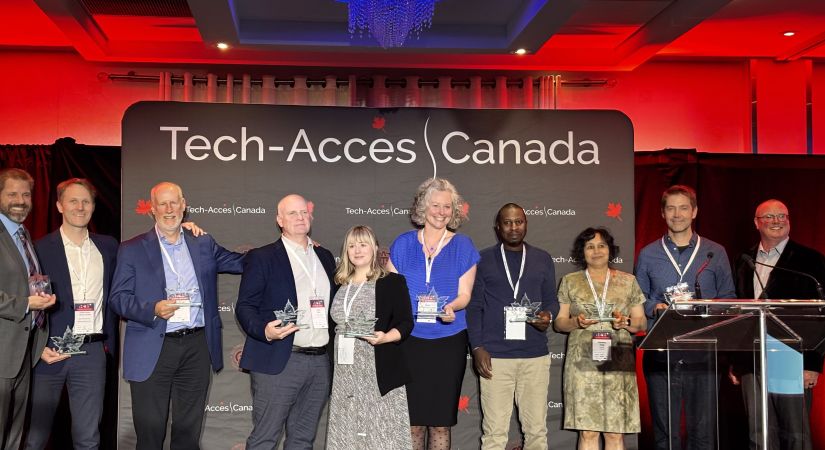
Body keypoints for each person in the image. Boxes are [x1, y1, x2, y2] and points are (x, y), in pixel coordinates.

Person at [109, 181, 244, 450]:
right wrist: (152, 309)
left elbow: (240, 262)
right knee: (150, 433)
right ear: (152, 209)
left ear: (184, 206)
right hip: (153, 345)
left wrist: (287, 249)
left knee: (187, 434)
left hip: (196, 347)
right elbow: (118, 299)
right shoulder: (132, 248)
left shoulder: (202, 242)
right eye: (162, 203)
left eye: (174, 202)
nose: (169, 209)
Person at [636, 184, 736, 450]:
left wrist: (705, 307)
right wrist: (656, 307)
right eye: (671, 208)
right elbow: (639, 299)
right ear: (662, 213)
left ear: (694, 212)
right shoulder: (648, 254)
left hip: (703, 352)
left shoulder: (715, 252)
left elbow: (728, 297)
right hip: (661, 352)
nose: (677, 214)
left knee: (702, 434)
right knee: (665, 435)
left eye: (683, 208)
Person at [235, 194, 336, 450]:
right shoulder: (262, 257)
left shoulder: (324, 256)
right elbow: (245, 306)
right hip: (279, 360)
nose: (300, 217)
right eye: (292, 213)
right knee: (265, 438)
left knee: (303, 440)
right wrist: (264, 331)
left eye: (304, 212)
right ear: (280, 220)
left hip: (319, 363)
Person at [387, 177, 480, 450]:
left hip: (448, 341)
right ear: (422, 208)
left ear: (454, 211)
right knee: (413, 421)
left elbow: (465, 294)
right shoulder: (403, 244)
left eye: (447, 207)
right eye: (435, 205)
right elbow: (392, 293)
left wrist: (452, 307)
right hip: (409, 341)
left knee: (440, 422)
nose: (441, 212)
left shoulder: (463, 246)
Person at [25, 179, 118, 450]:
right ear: (59, 206)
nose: (80, 206)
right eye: (73, 201)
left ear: (93, 206)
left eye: (86, 201)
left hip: (91, 353)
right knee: (35, 438)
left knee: (88, 439)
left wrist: (179, 231)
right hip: (48, 352)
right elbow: (24, 299)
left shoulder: (108, 247)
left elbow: (142, 259)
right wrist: (36, 347)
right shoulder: (38, 248)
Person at [731, 199, 825, 450]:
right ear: (756, 223)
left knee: (796, 434)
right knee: (758, 432)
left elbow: (821, 316)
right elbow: (737, 313)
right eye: (769, 216)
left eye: (782, 216)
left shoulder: (810, 260)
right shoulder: (744, 259)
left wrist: (813, 363)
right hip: (751, 359)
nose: (776, 221)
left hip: (791, 357)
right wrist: (736, 361)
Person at [466, 203, 558, 450]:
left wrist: (548, 315)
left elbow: (552, 300)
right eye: (507, 222)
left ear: (526, 224)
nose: (514, 227)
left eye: (519, 221)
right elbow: (473, 307)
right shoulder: (483, 259)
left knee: (537, 431)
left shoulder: (542, 258)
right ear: (498, 227)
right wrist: (477, 348)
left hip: (535, 357)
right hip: (495, 357)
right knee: (495, 434)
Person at [553, 227, 646, 450]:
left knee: (614, 433)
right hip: (581, 363)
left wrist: (627, 323)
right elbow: (559, 322)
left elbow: (641, 322)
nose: (596, 251)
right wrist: (576, 322)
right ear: (581, 252)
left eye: (601, 245)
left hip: (618, 360)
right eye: (590, 246)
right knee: (587, 431)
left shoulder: (628, 281)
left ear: (610, 250)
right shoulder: (570, 281)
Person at [327, 225, 414, 450]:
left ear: (375, 248)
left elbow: (406, 323)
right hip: (345, 373)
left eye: (363, 244)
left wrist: (386, 337)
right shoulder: (338, 283)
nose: (357, 250)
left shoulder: (392, 282)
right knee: (346, 432)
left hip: (379, 370)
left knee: (382, 434)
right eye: (352, 245)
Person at [0, 168, 56, 450]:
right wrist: (25, 304)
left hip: (25, 351)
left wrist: (40, 307)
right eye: (12, 193)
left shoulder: (24, 236)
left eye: (25, 194)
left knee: (14, 435)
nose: (20, 200)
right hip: (2, 352)